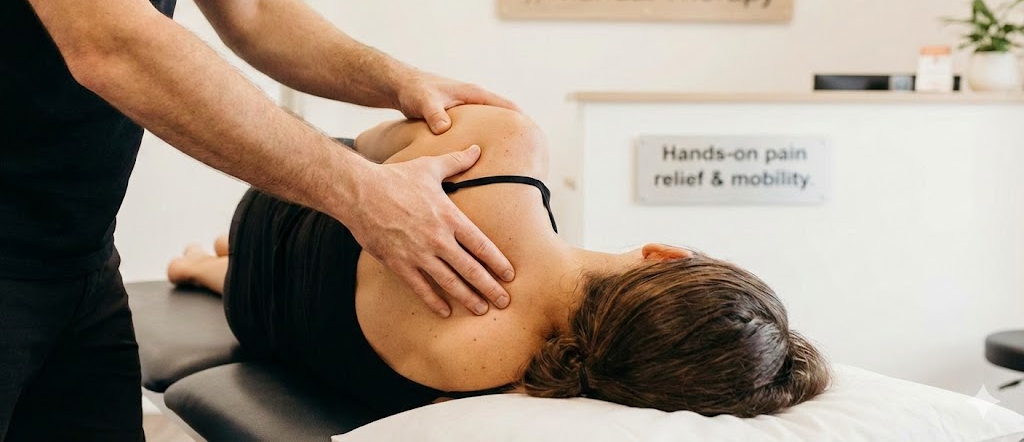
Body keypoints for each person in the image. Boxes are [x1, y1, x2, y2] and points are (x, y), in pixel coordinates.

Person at [0, 0, 517, 440]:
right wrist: (363, 193)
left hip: (81, 260)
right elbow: (112, 40)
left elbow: (254, 8)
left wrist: (397, 82)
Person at [167, 105, 832, 420]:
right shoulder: (515, 389)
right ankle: (210, 268)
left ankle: (219, 256)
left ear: (664, 255)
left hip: (277, 206)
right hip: (259, 317)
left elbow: (353, 150)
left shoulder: (506, 149)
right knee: (308, 302)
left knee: (358, 171)